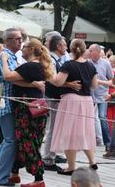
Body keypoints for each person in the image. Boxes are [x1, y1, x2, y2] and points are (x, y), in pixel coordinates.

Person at [1, 38, 54, 187]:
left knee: (27, 142)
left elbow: (7, 76)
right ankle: (15, 173)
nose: (21, 48)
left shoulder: (29, 66)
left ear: (31, 50)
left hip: (27, 110)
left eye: (24, 46)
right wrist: (31, 83)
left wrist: (4, 59)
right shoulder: (40, 66)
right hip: (38, 108)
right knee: (27, 141)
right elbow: (18, 81)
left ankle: (39, 179)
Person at [50, 39, 98, 175]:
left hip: (71, 100)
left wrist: (49, 75)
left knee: (68, 133)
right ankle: (92, 161)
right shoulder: (90, 66)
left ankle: (71, 166)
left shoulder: (68, 64)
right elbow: (94, 85)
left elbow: (58, 82)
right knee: (85, 132)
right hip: (87, 101)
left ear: (71, 49)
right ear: (84, 49)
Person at [42, 35, 81, 171]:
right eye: (64, 45)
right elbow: (53, 80)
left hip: (54, 97)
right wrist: (70, 84)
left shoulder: (54, 59)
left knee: (54, 127)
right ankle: (48, 158)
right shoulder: (51, 60)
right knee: (53, 127)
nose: (66, 47)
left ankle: (51, 154)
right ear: (59, 46)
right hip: (52, 97)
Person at [0, 28, 22, 186]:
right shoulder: (6, 56)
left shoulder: (10, 56)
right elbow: (9, 77)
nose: (20, 41)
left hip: (5, 100)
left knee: (7, 139)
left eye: (21, 38)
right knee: (10, 141)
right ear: (7, 40)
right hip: (4, 101)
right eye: (17, 38)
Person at [89, 44, 113, 151]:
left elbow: (112, 80)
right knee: (88, 118)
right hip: (90, 94)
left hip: (103, 95)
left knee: (102, 116)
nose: (89, 52)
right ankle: (88, 141)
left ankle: (107, 143)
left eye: (91, 50)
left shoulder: (106, 64)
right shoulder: (88, 63)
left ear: (98, 52)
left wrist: (100, 82)